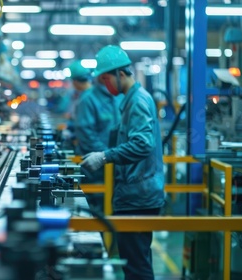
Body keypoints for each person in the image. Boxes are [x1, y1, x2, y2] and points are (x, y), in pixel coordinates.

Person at [81, 45, 165, 280]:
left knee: (137, 267)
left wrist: (105, 156)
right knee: (135, 264)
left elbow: (142, 144)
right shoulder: (131, 100)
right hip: (135, 192)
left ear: (120, 74)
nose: (105, 85)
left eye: (106, 79)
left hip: (139, 195)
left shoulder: (137, 101)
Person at [74, 78, 123, 213]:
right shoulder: (88, 99)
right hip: (97, 168)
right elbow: (86, 134)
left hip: (118, 164)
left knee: (115, 207)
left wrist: (114, 156)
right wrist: (105, 155)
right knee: (97, 208)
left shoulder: (121, 96)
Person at [60, 60, 92, 148]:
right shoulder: (84, 96)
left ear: (75, 81)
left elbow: (85, 127)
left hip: (88, 148)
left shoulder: (86, 99)